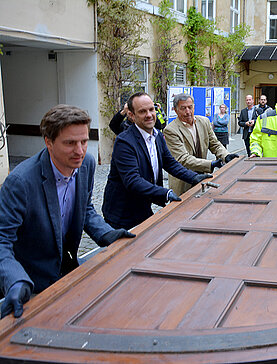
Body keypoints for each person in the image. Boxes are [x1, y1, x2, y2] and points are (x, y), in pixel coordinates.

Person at [0, 105, 135, 318]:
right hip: (30, 286)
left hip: (68, 274)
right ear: (48, 142)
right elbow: (2, 241)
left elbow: (85, 209)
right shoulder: (20, 182)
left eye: (83, 141)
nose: (80, 151)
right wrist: (15, 280)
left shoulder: (87, 164)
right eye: (70, 143)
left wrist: (108, 234)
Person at [103, 92, 212, 230]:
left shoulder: (158, 135)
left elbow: (170, 163)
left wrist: (195, 177)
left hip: (143, 206)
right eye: (142, 111)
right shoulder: (124, 142)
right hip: (122, 213)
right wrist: (165, 193)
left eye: (151, 109)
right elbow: (132, 180)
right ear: (131, 115)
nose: (149, 115)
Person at [164, 94, 239, 195]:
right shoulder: (170, 130)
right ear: (176, 110)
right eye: (183, 108)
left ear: (194, 107)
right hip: (183, 181)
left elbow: (215, 144)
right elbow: (183, 158)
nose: (188, 111)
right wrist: (210, 164)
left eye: (190, 107)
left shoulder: (204, 121)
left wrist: (226, 155)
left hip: (202, 177)